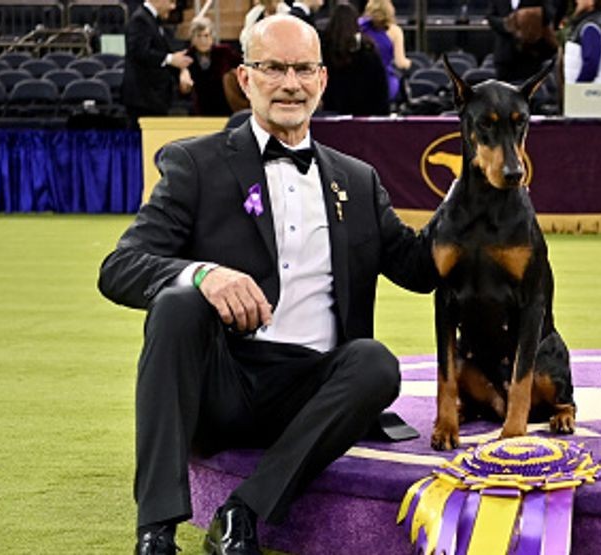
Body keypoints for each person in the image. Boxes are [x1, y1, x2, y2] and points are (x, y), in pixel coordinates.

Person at [98, 14, 437, 555]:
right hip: (223, 381)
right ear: (246, 77)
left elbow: (421, 270)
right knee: (178, 305)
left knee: (375, 362)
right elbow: (121, 267)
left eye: (303, 68)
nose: (290, 83)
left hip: (311, 390)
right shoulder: (195, 163)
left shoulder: (356, 179)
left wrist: (476, 193)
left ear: (322, 80)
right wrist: (203, 275)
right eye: (274, 68)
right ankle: (156, 528)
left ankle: (243, 512)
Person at [122, 0, 193, 122]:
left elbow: (164, 52)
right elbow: (139, 52)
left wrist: (181, 69)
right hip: (143, 100)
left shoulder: (153, 20)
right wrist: (170, 59)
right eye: (171, 1)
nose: (173, 7)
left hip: (154, 100)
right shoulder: (140, 20)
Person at [322, 3, 390, 115]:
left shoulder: (323, 50)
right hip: (365, 117)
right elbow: (381, 89)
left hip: (331, 116)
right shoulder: (369, 50)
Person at [180, 15, 242, 116]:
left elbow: (242, 65)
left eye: (206, 35)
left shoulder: (224, 52)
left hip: (225, 109)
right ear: (193, 39)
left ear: (212, 37)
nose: (203, 40)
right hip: (198, 111)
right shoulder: (187, 57)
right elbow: (183, 90)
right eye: (199, 36)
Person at [487, 0, 558, 83]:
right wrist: (508, 24)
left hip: (531, 55)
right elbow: (490, 17)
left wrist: (529, 17)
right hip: (504, 55)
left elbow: (550, 15)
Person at [359, 0, 411, 103]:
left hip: (362, 82)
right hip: (385, 82)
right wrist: (408, 63)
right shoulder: (395, 31)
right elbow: (400, 63)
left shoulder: (360, 28)